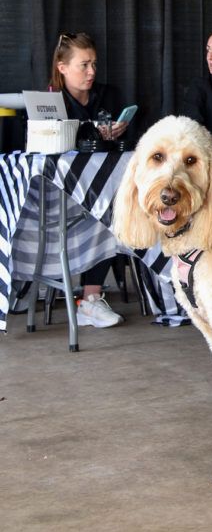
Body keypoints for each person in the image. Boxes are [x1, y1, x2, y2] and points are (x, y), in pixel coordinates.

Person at [50, 31, 130, 327]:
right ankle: (90, 301)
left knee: (119, 206)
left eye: (94, 64)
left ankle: (167, 292)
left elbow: (127, 149)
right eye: (84, 65)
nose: (91, 72)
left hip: (105, 190)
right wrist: (92, 134)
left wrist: (119, 133)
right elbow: (46, 151)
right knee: (105, 212)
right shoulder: (50, 102)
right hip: (62, 194)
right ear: (62, 67)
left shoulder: (109, 95)